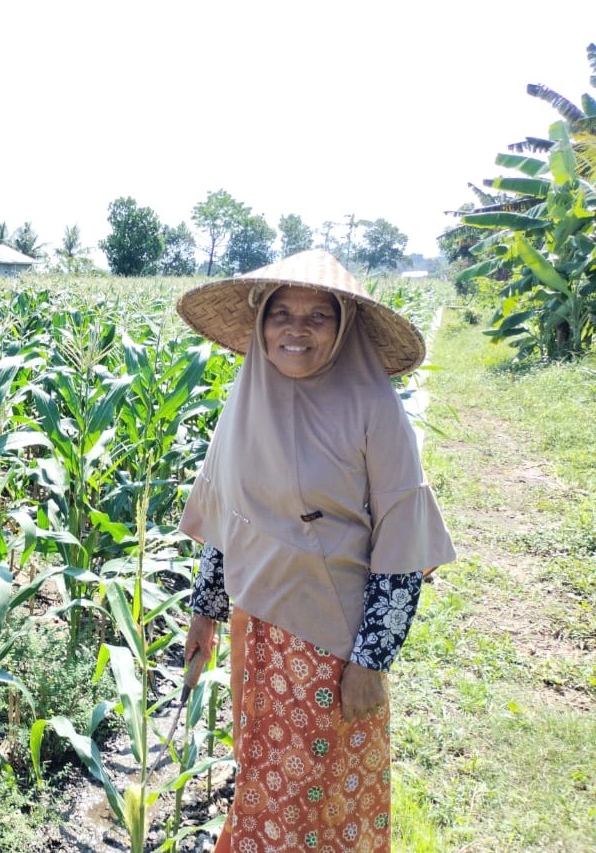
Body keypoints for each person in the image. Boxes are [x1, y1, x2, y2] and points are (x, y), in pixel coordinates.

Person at [174, 249, 455, 852]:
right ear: (260, 322)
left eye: (317, 316)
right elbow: (230, 512)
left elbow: (402, 547)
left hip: (330, 648)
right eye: (281, 313)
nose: (295, 329)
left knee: (321, 798)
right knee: (261, 782)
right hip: (259, 632)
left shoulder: (375, 411)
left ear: (344, 324)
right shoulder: (246, 400)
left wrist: (370, 662)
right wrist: (206, 612)